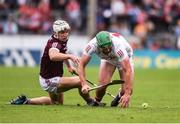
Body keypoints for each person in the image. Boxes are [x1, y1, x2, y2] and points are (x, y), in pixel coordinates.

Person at [10, 19, 99, 106]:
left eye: (66, 31)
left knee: (56, 103)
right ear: (56, 33)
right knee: (80, 80)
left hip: (50, 78)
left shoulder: (61, 39)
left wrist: (69, 66)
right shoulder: (54, 44)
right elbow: (53, 56)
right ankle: (91, 102)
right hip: (49, 80)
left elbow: (63, 52)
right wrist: (70, 56)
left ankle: (26, 101)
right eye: (62, 32)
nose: (65, 34)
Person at [78, 31, 134, 108]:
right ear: (98, 45)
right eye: (104, 48)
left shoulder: (118, 46)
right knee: (102, 86)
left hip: (125, 58)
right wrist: (83, 84)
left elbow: (128, 70)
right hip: (108, 59)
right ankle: (96, 102)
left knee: (127, 90)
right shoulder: (91, 45)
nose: (107, 50)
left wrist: (127, 93)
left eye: (109, 46)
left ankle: (120, 94)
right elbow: (81, 65)